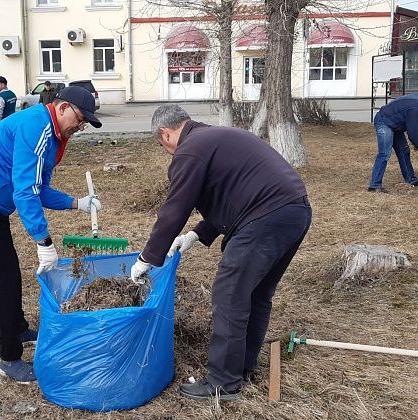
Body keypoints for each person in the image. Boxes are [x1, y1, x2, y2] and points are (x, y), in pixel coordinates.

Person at [130, 104, 312, 401]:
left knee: (229, 296)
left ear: (165, 134)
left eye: (161, 145)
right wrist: (196, 234)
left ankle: (223, 383)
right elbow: (233, 194)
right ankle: (241, 368)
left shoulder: (189, 149)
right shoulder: (214, 138)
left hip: (266, 218)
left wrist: (148, 257)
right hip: (294, 212)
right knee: (255, 294)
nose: (166, 152)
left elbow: (175, 207)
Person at [0, 86, 102, 384]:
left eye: (83, 125)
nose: (78, 128)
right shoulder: (38, 127)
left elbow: (39, 188)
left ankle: (17, 328)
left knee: (10, 273)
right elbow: (25, 191)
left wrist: (75, 203)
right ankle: (9, 359)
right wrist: (44, 242)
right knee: (0, 283)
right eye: (79, 120)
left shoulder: (52, 133)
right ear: (63, 107)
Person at [368, 93, 418, 192]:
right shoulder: (414, 108)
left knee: (404, 151)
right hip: (384, 121)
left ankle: (411, 179)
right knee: (385, 153)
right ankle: (375, 185)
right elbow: (412, 133)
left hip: (396, 124)